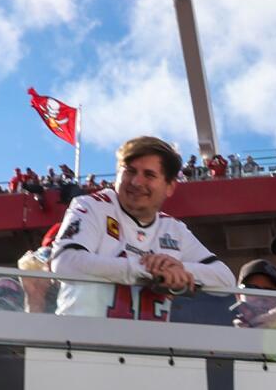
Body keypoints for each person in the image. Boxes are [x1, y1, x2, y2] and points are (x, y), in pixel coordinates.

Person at [49, 135, 234, 318]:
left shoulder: (173, 229)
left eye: (149, 175)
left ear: (169, 186)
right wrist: (146, 270)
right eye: (129, 171)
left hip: (148, 345)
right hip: (80, 341)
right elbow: (65, 262)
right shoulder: (91, 206)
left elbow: (225, 280)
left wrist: (180, 270)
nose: (137, 182)